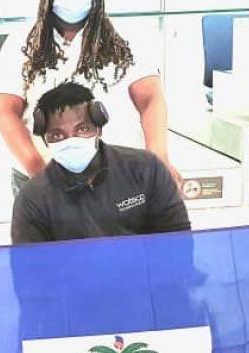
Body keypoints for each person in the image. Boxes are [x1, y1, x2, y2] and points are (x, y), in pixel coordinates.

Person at [0, 0, 180, 196]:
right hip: (41, 179)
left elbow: (150, 98)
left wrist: (158, 155)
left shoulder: (128, 37)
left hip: (117, 177)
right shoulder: (21, 42)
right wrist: (41, 173)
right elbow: (5, 113)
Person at [11, 82, 191, 244]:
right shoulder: (32, 199)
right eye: (57, 135)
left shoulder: (146, 169)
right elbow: (29, 271)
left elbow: (178, 242)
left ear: (98, 127)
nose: (71, 140)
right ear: (45, 139)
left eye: (82, 129)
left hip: (143, 278)